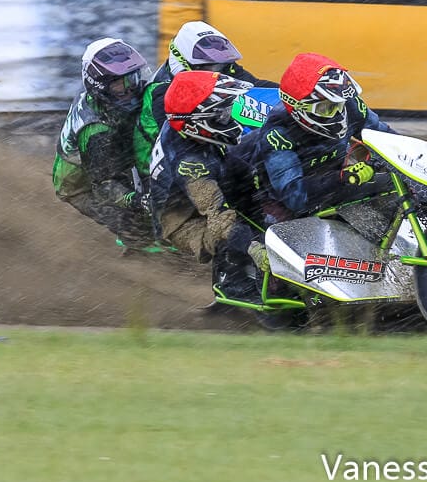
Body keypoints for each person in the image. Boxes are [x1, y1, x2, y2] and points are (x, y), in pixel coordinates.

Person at [232, 52, 395, 224]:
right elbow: (295, 197)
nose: (339, 114)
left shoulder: (350, 106)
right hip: (267, 200)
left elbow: (389, 141)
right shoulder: (278, 134)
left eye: (339, 104)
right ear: (301, 109)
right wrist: (342, 178)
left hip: (326, 182)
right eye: (326, 108)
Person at [148, 70, 264, 303]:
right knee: (233, 230)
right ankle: (233, 289)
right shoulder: (191, 165)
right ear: (198, 123)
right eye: (221, 114)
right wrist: (255, 249)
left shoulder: (190, 129)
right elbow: (217, 216)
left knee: (266, 195)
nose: (229, 117)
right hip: (183, 220)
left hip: (216, 174)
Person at [135, 20, 275, 179]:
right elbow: (184, 140)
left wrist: (289, 92)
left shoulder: (221, 66)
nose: (218, 72)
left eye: (221, 66)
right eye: (211, 67)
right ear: (184, 63)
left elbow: (254, 86)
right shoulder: (162, 93)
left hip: (205, 153)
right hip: (167, 171)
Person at [52, 37, 154, 249]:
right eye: (119, 85)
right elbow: (104, 186)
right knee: (137, 227)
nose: (130, 89)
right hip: (82, 186)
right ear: (100, 88)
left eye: (133, 79)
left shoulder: (108, 102)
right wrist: (138, 200)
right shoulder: (97, 132)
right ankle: (144, 264)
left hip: (107, 154)